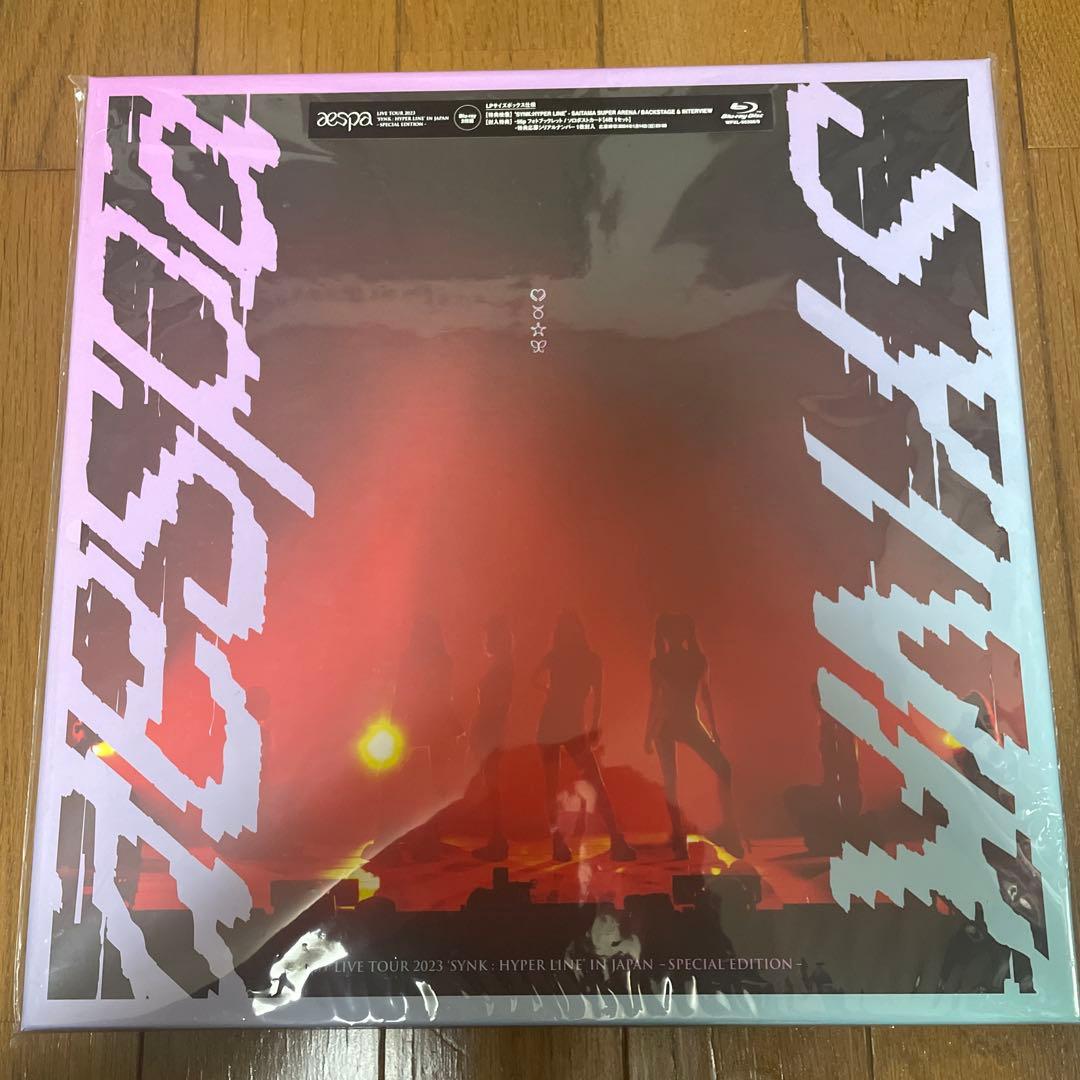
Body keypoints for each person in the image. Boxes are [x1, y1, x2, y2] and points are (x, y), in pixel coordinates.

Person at [535, 612, 636, 862]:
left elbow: (533, 678)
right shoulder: (589, 659)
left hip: (558, 725)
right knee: (589, 782)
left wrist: (550, 692)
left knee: (558, 786)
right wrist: (594, 725)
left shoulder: (558, 656)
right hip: (567, 727)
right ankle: (615, 840)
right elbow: (598, 697)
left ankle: (562, 844)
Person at [645, 613, 743, 859]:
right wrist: (648, 733)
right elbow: (655, 701)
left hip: (687, 722)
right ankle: (679, 837)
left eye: (678, 630)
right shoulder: (659, 663)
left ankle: (728, 830)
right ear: (666, 635)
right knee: (672, 781)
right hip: (668, 725)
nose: (674, 636)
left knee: (723, 768)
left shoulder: (697, 661)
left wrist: (714, 729)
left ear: (686, 634)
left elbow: (705, 695)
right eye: (670, 631)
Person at [393, 614, 458, 858]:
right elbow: (446, 695)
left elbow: (402, 695)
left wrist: (396, 723)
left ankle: (420, 835)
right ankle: (431, 835)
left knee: (417, 784)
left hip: (419, 727)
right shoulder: (444, 661)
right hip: (438, 727)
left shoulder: (410, 660)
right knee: (436, 785)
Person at [470, 616, 514, 861]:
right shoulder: (503, 665)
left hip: (490, 730)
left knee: (492, 787)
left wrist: (482, 728)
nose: (485, 640)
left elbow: (496, 704)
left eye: (488, 635)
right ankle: (497, 839)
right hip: (491, 729)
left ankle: (498, 840)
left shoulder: (502, 667)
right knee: (491, 786)